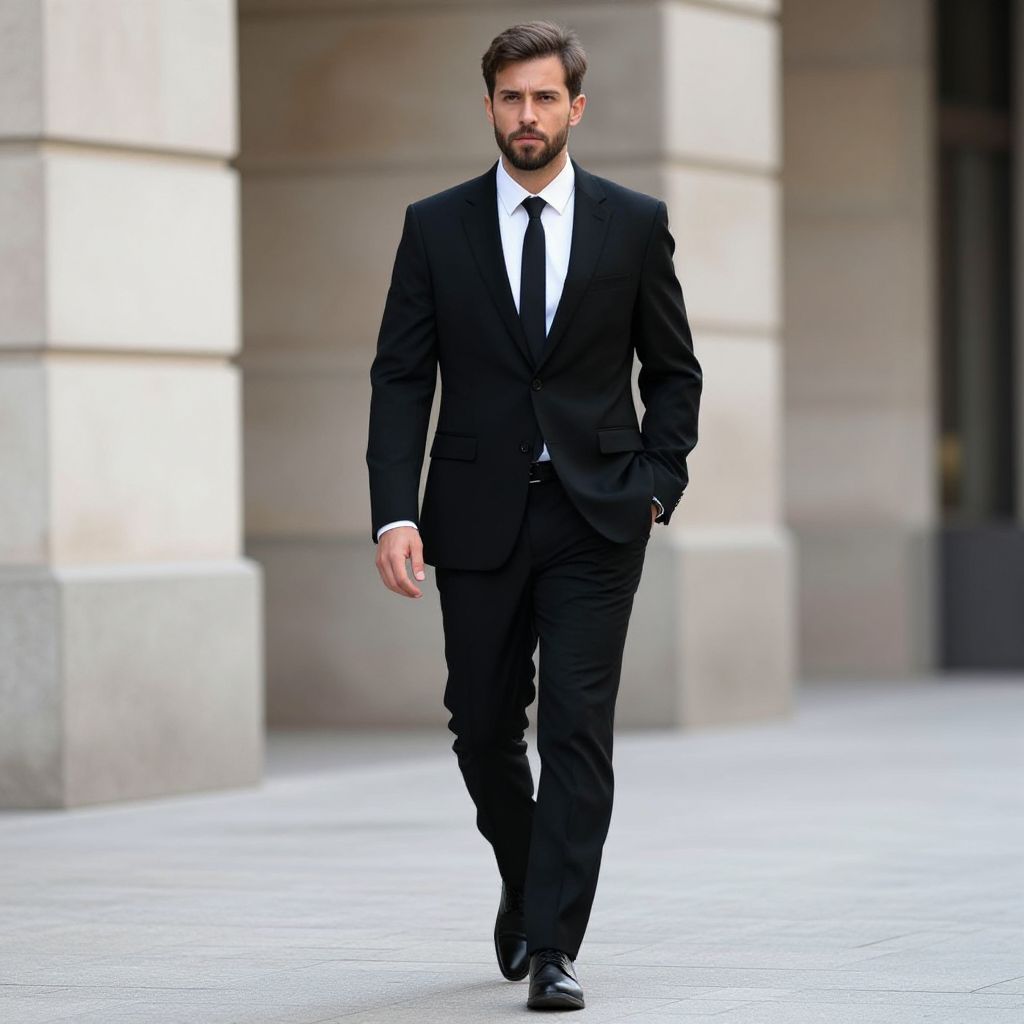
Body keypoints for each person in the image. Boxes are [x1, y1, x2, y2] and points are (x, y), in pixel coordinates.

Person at [366, 20, 701, 1012]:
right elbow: (399, 378)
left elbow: (673, 371)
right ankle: (527, 871)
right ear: (488, 108)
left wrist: (655, 482)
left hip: (597, 515)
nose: (527, 115)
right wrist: (392, 513)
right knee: (478, 727)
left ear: (575, 107)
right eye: (510, 98)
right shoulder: (435, 226)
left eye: (544, 98)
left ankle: (553, 945)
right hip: (471, 516)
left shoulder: (631, 224)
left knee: (576, 732)